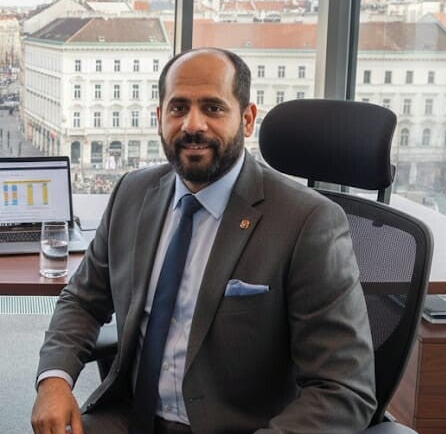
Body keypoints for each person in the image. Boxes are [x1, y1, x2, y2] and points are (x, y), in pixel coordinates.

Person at [31, 48, 375, 434]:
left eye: (213, 108)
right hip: (131, 417)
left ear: (247, 119)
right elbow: (82, 300)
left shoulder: (307, 222)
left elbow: (343, 389)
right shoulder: (132, 193)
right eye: (178, 108)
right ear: (159, 118)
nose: (193, 125)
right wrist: (54, 379)